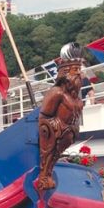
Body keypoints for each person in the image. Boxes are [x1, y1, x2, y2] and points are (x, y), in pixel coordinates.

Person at [38, 43, 84, 190]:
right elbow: (44, 115)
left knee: (56, 155)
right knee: (50, 155)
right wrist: (55, 125)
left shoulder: (76, 97)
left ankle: (48, 173)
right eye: (75, 70)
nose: (78, 74)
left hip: (68, 132)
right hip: (56, 132)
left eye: (79, 70)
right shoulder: (56, 93)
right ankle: (44, 175)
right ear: (65, 72)